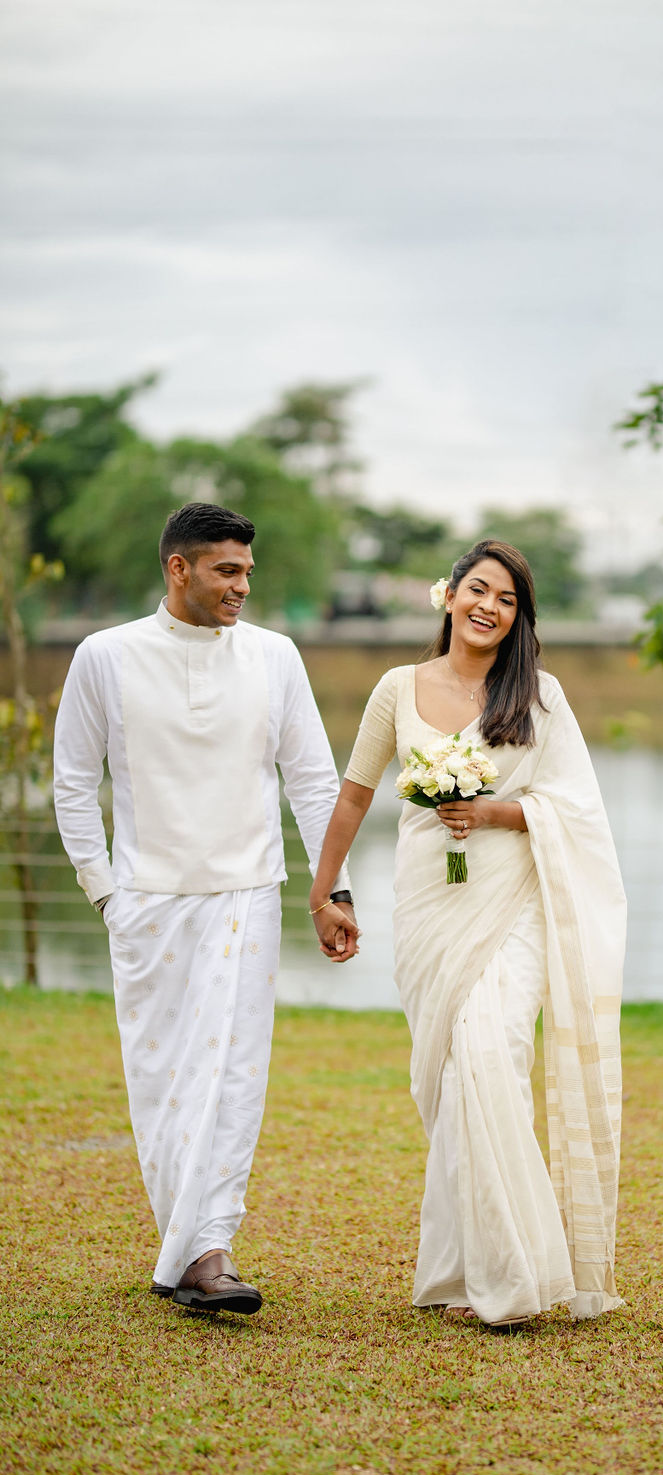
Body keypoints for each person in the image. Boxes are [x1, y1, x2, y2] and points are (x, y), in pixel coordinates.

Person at [310, 540, 626, 1327]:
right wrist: (326, 891)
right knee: (448, 1081)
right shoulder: (396, 688)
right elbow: (352, 796)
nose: (490, 607)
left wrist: (490, 811)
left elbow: (578, 810)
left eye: (509, 599)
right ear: (446, 595)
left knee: (492, 1057)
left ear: (519, 617)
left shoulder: (540, 697)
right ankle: (459, 1272)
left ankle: (515, 1278)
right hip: (428, 902)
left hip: (512, 898)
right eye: (479, 589)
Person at [53, 502, 358, 1315]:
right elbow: (75, 783)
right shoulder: (105, 657)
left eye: (249, 572)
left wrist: (334, 888)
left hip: (245, 896)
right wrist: (105, 892)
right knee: (160, 1080)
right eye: (227, 570)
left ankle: (208, 1253)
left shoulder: (275, 656)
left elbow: (313, 781)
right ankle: (187, 1249)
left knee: (231, 1077)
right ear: (178, 568)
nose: (243, 587)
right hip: (146, 903)